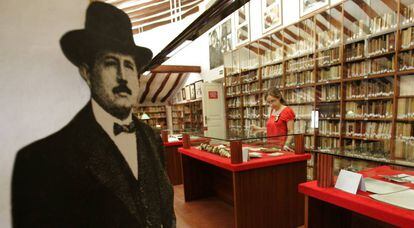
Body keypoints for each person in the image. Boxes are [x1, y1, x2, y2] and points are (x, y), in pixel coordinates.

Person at [11, 2, 175, 227]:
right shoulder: (41, 161)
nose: (122, 76)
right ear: (87, 72)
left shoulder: (152, 138)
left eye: (129, 66)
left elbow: (166, 211)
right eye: (110, 63)